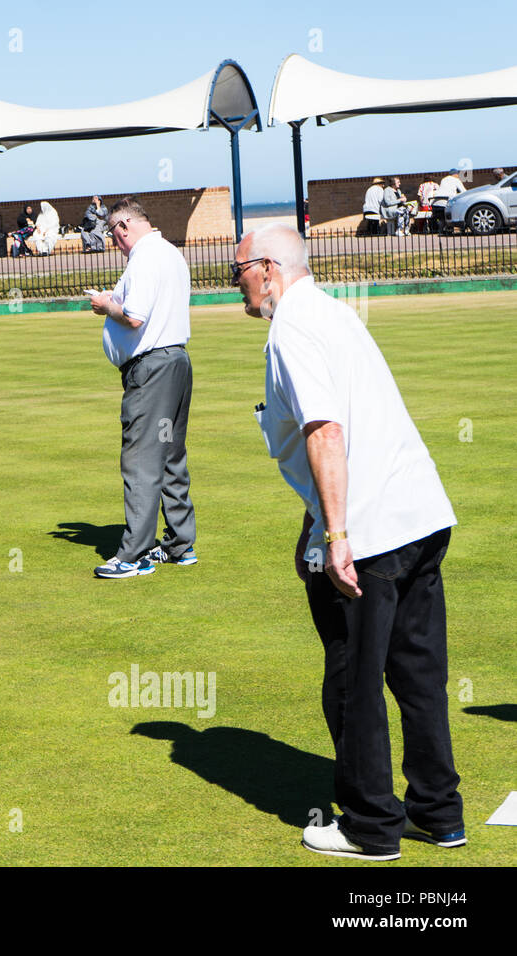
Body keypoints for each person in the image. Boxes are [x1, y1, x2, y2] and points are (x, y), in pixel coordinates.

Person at [233, 223, 463, 861]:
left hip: (370, 529)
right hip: (419, 513)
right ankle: (439, 814)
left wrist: (335, 535)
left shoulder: (292, 328)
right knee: (419, 675)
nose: (236, 289)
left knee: (353, 679)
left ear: (268, 268)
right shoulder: (334, 314)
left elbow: (325, 430)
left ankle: (369, 825)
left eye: (238, 273)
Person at [87, 197, 196, 578]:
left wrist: (104, 305)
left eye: (113, 234)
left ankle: (134, 555)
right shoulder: (170, 253)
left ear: (124, 227)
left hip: (150, 370)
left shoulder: (146, 258)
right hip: (175, 362)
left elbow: (134, 317)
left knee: (140, 459)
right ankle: (180, 545)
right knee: (169, 457)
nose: (114, 243)